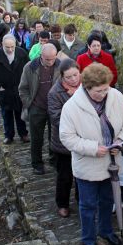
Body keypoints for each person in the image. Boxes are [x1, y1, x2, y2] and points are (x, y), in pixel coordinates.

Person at [59, 63, 123, 245]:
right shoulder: (71, 107)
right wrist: (93, 149)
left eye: (106, 88)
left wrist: (121, 141)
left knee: (107, 200)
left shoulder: (115, 96)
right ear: (87, 87)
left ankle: (106, 230)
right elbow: (67, 137)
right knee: (87, 205)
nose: (104, 93)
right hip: (88, 165)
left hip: (112, 162)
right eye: (99, 91)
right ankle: (88, 238)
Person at [19, 44, 61, 175]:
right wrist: (29, 104)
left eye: (52, 59)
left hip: (55, 108)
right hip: (37, 107)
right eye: (47, 59)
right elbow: (23, 88)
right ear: (41, 56)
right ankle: (37, 164)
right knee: (36, 138)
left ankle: (54, 160)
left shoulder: (61, 66)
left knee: (55, 136)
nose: (50, 62)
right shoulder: (30, 67)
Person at [47, 59, 81, 218]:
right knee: (65, 176)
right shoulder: (55, 93)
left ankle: (81, 199)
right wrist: (81, 124)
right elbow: (56, 118)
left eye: (76, 75)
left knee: (83, 173)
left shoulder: (86, 86)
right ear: (62, 77)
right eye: (69, 77)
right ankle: (62, 203)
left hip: (84, 141)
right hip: (63, 144)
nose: (74, 79)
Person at [0, 34, 29, 144]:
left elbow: (28, 69)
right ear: (2, 45)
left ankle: (23, 133)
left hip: (19, 89)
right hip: (5, 90)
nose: (10, 49)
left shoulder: (22, 53)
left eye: (12, 47)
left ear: (15, 45)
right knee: (6, 113)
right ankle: (9, 135)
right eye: (7, 47)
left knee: (20, 113)